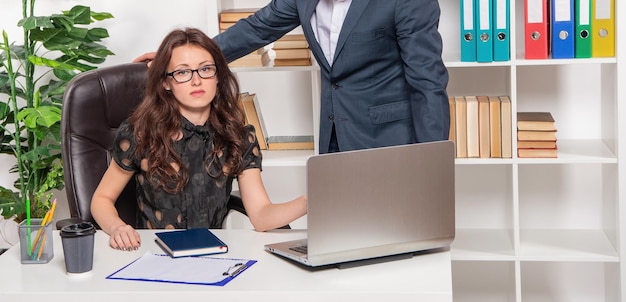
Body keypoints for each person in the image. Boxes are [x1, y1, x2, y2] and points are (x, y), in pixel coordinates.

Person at [134, 0, 449, 154]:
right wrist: (188, 57)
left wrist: (433, 158)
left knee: (401, 238)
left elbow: (427, 81)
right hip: (333, 134)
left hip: (391, 140)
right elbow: (258, 28)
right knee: (344, 237)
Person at [92, 27, 307, 251]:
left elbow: (262, 216)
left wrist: (309, 200)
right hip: (154, 254)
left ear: (218, 77)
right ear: (166, 82)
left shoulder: (238, 136)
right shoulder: (141, 132)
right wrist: (117, 227)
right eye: (183, 72)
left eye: (205, 69)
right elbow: (102, 199)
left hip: (213, 255)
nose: (196, 81)